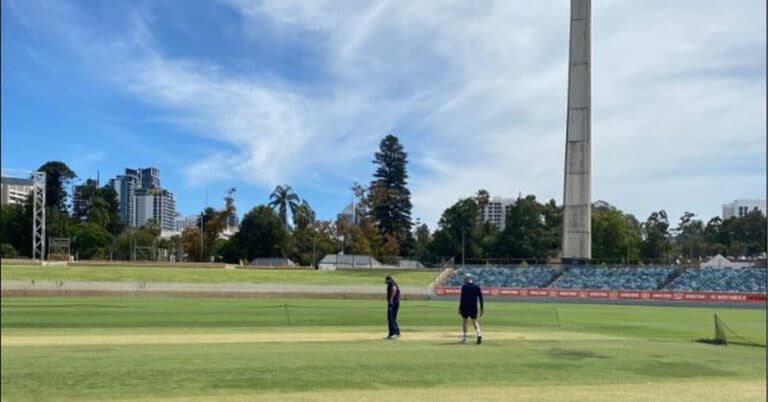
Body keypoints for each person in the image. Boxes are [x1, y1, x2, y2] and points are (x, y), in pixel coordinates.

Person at [459, 273, 484, 344]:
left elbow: (462, 298)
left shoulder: (464, 287)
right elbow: (481, 298)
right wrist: (482, 308)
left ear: (467, 279)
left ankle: (464, 338)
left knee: (464, 322)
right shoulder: (477, 287)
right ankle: (479, 334)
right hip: (473, 307)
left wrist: (460, 308)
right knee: (474, 322)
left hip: (465, 307)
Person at [384, 275, 401, 340]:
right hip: (395, 302)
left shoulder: (391, 283)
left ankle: (395, 333)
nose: (385, 281)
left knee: (391, 318)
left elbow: (394, 289)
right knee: (392, 318)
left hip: (393, 303)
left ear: (388, 280)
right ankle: (392, 333)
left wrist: (391, 300)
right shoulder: (392, 283)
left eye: (386, 280)